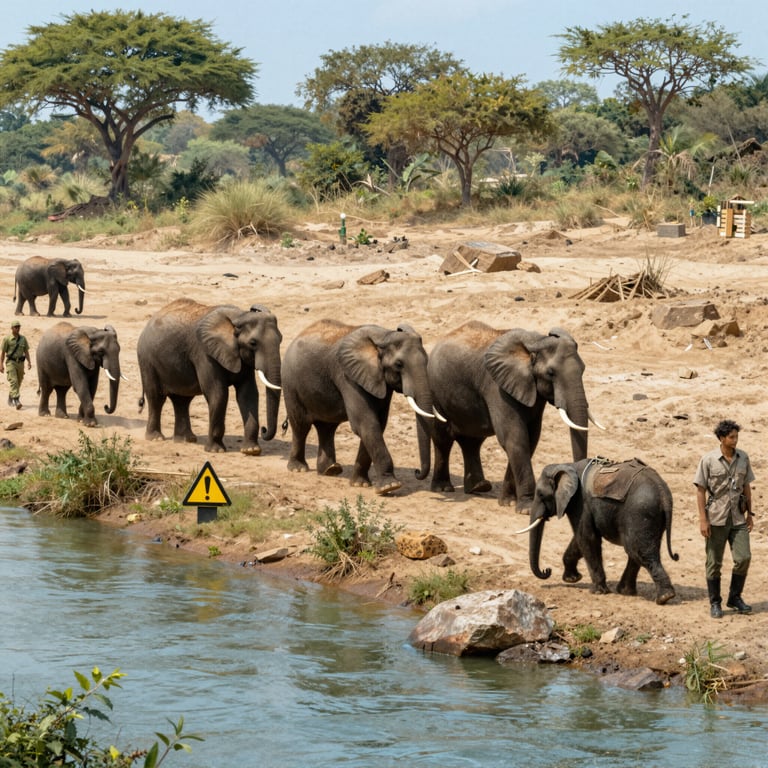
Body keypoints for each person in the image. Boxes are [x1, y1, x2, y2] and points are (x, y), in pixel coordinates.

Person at [694, 419, 755, 619]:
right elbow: (700, 490)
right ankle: (715, 602)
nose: (735, 440)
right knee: (714, 562)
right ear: (722, 438)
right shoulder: (708, 460)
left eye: (736, 436)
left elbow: (746, 487)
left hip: (738, 517)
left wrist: (750, 514)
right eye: (732, 437)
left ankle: (735, 597)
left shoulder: (743, 458)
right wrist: (703, 520)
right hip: (716, 518)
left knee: (744, 557)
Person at [0, 320, 32, 410]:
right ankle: (17, 400)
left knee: (18, 381)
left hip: (21, 363)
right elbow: (2, 353)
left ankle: (11, 396)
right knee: (13, 381)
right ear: (12, 328)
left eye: (19, 327)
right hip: (11, 363)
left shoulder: (23, 339)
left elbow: (26, 351)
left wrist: (29, 362)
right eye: (16, 327)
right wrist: (1, 365)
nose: (18, 328)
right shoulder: (7, 339)